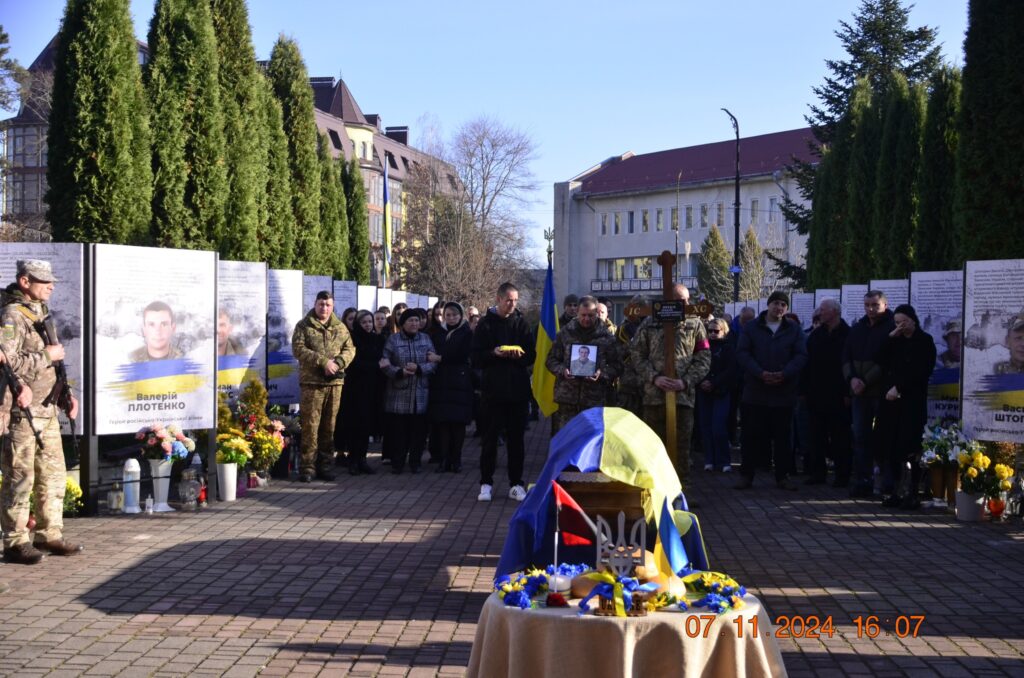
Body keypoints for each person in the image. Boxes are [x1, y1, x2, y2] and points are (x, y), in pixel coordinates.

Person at [1, 259, 82, 564]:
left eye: (51, 281)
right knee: (20, 476)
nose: (51, 285)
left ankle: (50, 534)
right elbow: (6, 361)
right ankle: (15, 542)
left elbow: (56, 363)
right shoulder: (11, 316)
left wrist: (67, 396)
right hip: (22, 412)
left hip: (47, 408)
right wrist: (44, 355)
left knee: (53, 475)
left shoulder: (41, 312)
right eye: (43, 281)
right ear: (25, 281)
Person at [631, 283, 711, 490]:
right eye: (677, 301)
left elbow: (703, 357)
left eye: (685, 301)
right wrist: (654, 377)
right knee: (653, 445)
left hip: (683, 396)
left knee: (682, 445)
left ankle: (682, 489)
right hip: (654, 395)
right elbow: (637, 354)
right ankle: (653, 489)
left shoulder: (695, 324)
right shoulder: (649, 322)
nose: (683, 305)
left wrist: (685, 381)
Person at [734, 291, 808, 491]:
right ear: (768, 305)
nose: (779, 308)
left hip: (783, 392)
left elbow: (801, 355)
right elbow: (742, 353)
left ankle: (782, 476)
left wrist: (784, 373)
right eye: (776, 303)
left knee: (783, 437)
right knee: (750, 436)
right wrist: (760, 373)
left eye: (783, 304)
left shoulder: (794, 329)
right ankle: (746, 475)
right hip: (755, 391)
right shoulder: (751, 327)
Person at [472, 282, 536, 502]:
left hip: (517, 391)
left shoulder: (522, 324)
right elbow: (476, 357)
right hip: (492, 391)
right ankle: (486, 483)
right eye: (509, 300)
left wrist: (520, 357)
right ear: (498, 299)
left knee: (516, 440)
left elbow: (532, 356)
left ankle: (516, 484)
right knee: (489, 439)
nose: (512, 304)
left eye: (515, 300)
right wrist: (494, 353)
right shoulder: (485, 325)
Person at [291, 290, 355, 483]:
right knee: (311, 427)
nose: (324, 308)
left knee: (329, 426)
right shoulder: (303, 325)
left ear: (332, 306)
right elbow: (298, 349)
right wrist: (323, 362)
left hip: (334, 383)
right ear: (315, 304)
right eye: (321, 304)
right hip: (312, 383)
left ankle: (326, 465)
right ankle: (307, 467)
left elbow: (350, 349)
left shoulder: (341, 327)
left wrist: (338, 362)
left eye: (327, 305)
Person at [877, 304, 936, 509]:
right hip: (892, 401)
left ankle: (912, 491)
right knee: (891, 445)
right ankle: (895, 490)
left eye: (904, 321)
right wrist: (891, 336)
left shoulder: (924, 341)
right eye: (897, 322)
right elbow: (879, 359)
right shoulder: (895, 340)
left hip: (912, 400)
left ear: (913, 320)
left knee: (910, 445)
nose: (901, 325)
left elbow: (922, 371)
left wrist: (900, 387)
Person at [843, 290, 896, 498]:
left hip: (880, 392)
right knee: (860, 436)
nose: (871, 309)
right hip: (859, 393)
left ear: (885, 304)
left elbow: (887, 361)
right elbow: (845, 356)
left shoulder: (892, 327)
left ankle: (886, 481)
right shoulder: (857, 328)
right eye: (867, 305)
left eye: (875, 305)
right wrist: (852, 379)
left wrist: (866, 380)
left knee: (883, 438)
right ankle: (863, 479)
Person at [546, 296, 619, 434]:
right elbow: (551, 360)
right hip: (567, 400)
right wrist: (563, 370)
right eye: (583, 315)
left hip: (594, 400)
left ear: (597, 314)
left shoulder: (606, 336)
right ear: (577, 313)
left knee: (589, 443)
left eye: (590, 315)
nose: (586, 319)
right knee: (566, 441)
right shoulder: (565, 334)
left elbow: (618, 365)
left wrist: (601, 373)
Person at [379, 309, 437, 473]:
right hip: (399, 393)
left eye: (416, 321)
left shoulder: (426, 339)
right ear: (403, 323)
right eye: (410, 321)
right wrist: (399, 372)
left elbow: (433, 362)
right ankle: (398, 462)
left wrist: (419, 368)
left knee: (418, 433)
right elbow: (385, 363)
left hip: (420, 393)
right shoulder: (393, 340)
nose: (414, 324)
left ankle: (415, 462)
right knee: (399, 433)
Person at [802, 298, 852, 487]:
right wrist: (804, 390)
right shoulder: (816, 335)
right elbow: (807, 363)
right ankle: (817, 473)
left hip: (839, 394)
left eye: (823, 310)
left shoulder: (848, 334)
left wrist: (848, 393)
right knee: (816, 436)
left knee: (841, 437)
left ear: (834, 312)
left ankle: (842, 475)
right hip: (816, 393)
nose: (819, 313)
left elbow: (850, 364)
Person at [427, 302, 474, 473]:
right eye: (448, 315)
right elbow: (430, 352)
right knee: (443, 423)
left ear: (460, 316)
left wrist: (441, 358)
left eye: (455, 315)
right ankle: (444, 459)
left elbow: (462, 355)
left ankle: (456, 459)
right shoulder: (438, 332)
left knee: (458, 424)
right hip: (441, 382)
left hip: (460, 382)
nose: (451, 318)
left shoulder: (466, 332)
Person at [338, 311, 384, 475]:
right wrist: (376, 366)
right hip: (354, 388)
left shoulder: (377, 339)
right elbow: (354, 364)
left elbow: (382, 359)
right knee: (354, 425)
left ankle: (362, 459)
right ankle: (353, 460)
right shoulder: (352, 339)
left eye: (370, 322)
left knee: (366, 425)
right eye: (364, 322)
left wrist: (377, 366)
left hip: (372, 388)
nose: (368, 325)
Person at [697, 318, 736, 473]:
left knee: (719, 427)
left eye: (716, 331)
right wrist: (703, 381)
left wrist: (714, 382)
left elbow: (731, 370)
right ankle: (709, 459)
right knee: (705, 426)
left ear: (724, 331)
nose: (713, 334)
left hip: (721, 391)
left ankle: (724, 460)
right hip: (704, 391)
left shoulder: (728, 348)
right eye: (710, 331)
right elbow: (697, 365)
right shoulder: (702, 347)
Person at [615, 295, 648, 417]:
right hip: (628, 381)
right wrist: (631, 342)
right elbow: (617, 352)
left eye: (640, 307)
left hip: (647, 380)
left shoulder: (651, 326)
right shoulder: (623, 328)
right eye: (634, 307)